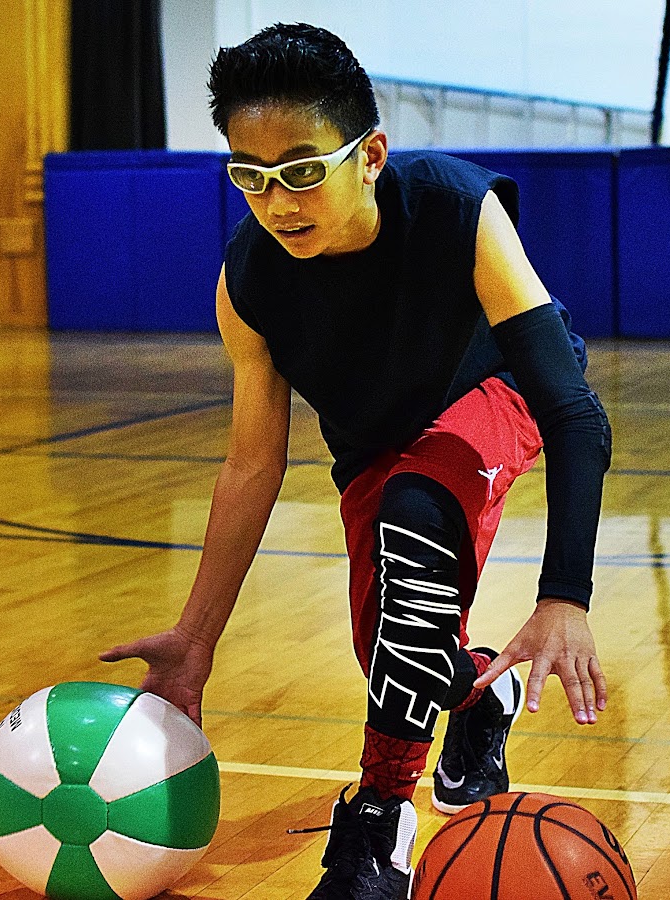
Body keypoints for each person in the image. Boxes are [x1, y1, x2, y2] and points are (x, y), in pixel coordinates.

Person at [100, 22, 612, 900]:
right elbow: (251, 466)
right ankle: (477, 694)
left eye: (301, 170)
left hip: (497, 392)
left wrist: (564, 594)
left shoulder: (455, 210)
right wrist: (195, 639)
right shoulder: (248, 281)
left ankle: (378, 824)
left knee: (415, 514)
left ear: (369, 155)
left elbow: (572, 409)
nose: (277, 202)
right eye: (250, 176)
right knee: (393, 654)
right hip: (382, 442)